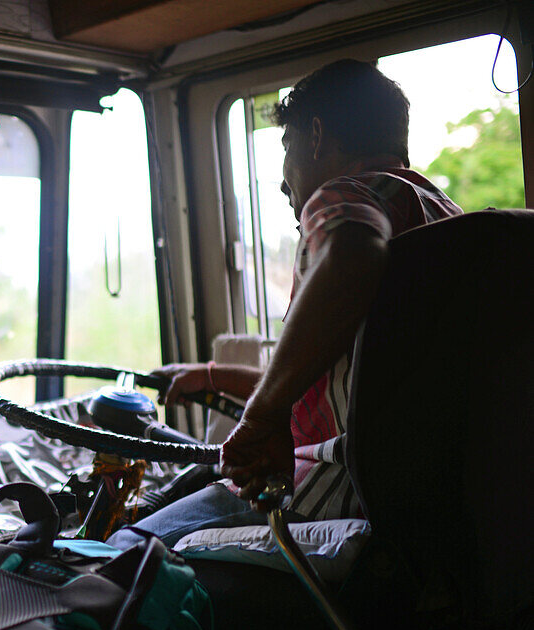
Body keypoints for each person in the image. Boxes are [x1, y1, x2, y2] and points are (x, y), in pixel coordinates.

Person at [110, 59, 462, 549]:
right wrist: (213, 377)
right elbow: (341, 386)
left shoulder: (344, 194)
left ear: (315, 136)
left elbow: (352, 251)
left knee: (118, 554)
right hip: (426, 494)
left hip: (329, 493)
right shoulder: (445, 217)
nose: (284, 184)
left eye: (286, 147)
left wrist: (259, 420)